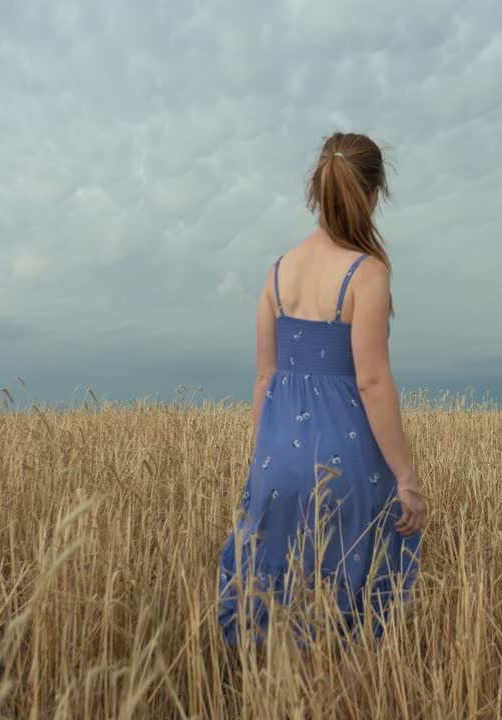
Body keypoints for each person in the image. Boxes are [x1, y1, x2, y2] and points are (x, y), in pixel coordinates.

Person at [217, 132, 426, 646]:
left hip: (276, 463)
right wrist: (405, 475)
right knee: (360, 615)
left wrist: (266, 459)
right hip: (349, 467)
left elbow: (265, 377)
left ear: (319, 189)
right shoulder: (368, 273)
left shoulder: (276, 272)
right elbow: (372, 381)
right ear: (374, 194)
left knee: (272, 608)